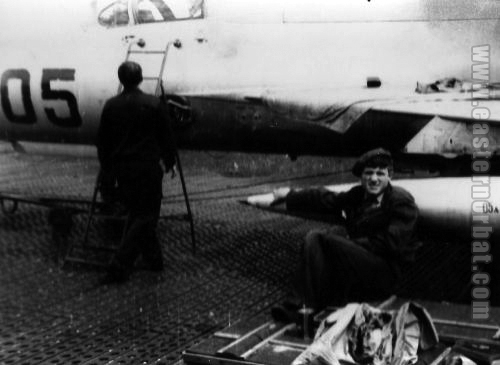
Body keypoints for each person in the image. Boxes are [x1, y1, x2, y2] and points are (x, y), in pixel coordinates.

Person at [274, 148, 420, 311]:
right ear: (361, 177)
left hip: (385, 273)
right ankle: (299, 304)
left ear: (389, 176)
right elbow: (326, 199)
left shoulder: (401, 201)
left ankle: (305, 304)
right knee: (314, 237)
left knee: (325, 241)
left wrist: (350, 244)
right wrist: (290, 195)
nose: (373, 179)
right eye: (368, 173)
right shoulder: (358, 195)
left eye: (380, 174)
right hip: (360, 265)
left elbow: (391, 243)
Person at [96, 61, 176, 283]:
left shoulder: (111, 106)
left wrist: (107, 169)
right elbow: (166, 137)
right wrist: (170, 162)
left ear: (120, 80)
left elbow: (103, 142)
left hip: (124, 171)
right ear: (141, 79)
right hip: (148, 170)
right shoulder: (153, 104)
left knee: (138, 214)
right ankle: (119, 264)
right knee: (146, 216)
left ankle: (154, 260)